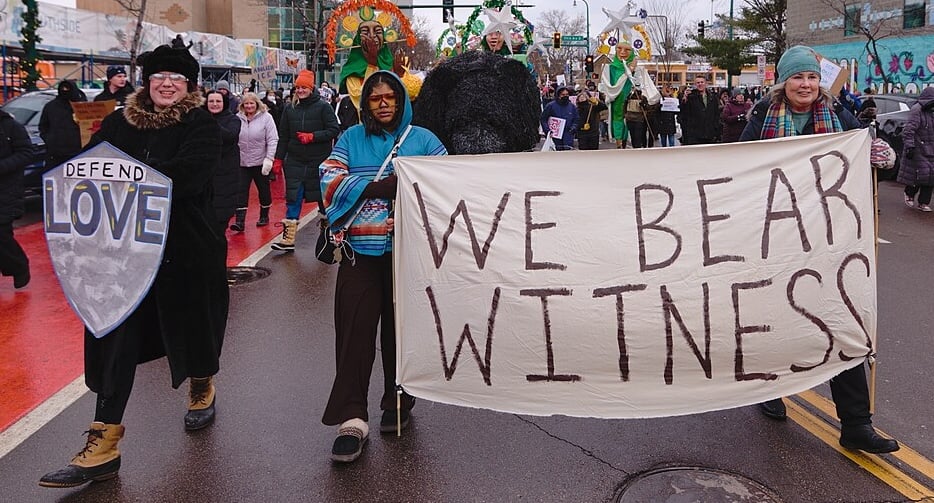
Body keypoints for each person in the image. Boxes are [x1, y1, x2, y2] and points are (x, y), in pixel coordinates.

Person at [39, 44, 228, 488]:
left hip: (186, 249)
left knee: (194, 329)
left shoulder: (199, 123)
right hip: (125, 254)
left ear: (189, 86)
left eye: (176, 78)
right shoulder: (119, 121)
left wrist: (136, 173)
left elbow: (190, 176)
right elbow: (93, 166)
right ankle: (104, 441)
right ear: (147, 80)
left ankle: (202, 385)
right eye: (159, 75)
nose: (166, 83)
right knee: (115, 336)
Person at [739, 45, 898, 455]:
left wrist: (878, 156)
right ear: (783, 82)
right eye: (797, 77)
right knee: (778, 318)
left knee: (840, 319)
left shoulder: (839, 116)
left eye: (811, 77)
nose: (806, 85)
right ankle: (771, 389)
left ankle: (857, 423)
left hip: (829, 239)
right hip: (775, 238)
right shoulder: (760, 118)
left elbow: (858, 155)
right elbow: (736, 169)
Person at [319, 70, 447, 463]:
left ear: (402, 100)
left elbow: (446, 187)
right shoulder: (351, 138)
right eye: (376, 98)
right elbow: (328, 178)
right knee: (355, 334)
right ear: (366, 103)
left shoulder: (424, 140)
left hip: (408, 256)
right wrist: (379, 187)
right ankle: (352, 418)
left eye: (390, 96)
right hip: (360, 254)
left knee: (402, 332)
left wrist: (406, 192)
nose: (384, 103)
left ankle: (397, 400)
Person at [270, 69, 339, 252]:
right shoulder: (289, 109)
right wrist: (278, 159)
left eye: (304, 87)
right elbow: (283, 136)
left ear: (311, 88)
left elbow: (334, 130)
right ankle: (288, 239)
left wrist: (313, 136)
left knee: (322, 199)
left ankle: (327, 234)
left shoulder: (324, 107)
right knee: (293, 197)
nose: (300, 91)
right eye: (298, 87)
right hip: (294, 160)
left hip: (319, 160)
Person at [338, 19, 421, 112]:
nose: (372, 36)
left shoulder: (392, 65)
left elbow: (407, 99)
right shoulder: (352, 72)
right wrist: (372, 64)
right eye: (365, 32)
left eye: (378, 32)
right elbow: (361, 101)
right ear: (357, 40)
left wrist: (399, 77)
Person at [598, 41, 658, 149]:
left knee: (633, 128)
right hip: (616, 101)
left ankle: (633, 146)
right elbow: (605, 86)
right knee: (618, 120)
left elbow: (643, 87)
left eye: (627, 50)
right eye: (619, 48)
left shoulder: (639, 70)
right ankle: (619, 143)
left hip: (634, 110)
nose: (622, 52)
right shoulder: (610, 69)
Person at [0, 107, 35, 290]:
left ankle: (18, 266)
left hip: (6, 187)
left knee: (2, 233)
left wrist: (3, 166)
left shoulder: (11, 127)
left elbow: (26, 153)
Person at [233, 92, 278, 229]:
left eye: (251, 103)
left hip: (260, 162)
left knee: (263, 190)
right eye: (246, 103)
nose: (249, 106)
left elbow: (272, 139)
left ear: (257, 104)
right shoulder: (237, 118)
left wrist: (269, 158)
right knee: (240, 191)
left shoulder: (266, 118)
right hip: (242, 162)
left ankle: (264, 215)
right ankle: (240, 221)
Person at [205, 89, 242, 235]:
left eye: (218, 101)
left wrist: (209, 123)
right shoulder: (199, 119)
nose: (214, 104)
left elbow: (230, 136)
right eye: (211, 101)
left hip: (225, 175)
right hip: (205, 174)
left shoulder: (233, 120)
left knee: (219, 220)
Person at [897, 87, 934, 211]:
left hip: (931, 147)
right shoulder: (917, 110)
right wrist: (910, 146)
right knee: (920, 174)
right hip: (919, 147)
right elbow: (909, 130)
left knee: (931, 176)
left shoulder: (931, 111)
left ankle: (923, 202)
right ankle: (910, 193)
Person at [39, 80, 86, 169]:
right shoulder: (51, 106)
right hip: (56, 154)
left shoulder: (82, 106)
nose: (65, 90)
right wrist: (50, 140)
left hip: (78, 152)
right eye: (63, 88)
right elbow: (43, 126)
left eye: (67, 88)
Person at [679, 76, 720, 145]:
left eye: (702, 82)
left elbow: (716, 114)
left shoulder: (713, 97)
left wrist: (716, 129)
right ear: (695, 85)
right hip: (695, 135)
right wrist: (684, 99)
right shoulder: (691, 97)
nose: (700, 84)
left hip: (710, 133)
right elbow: (684, 113)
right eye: (698, 83)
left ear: (706, 84)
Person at [540, 86, 577, 150]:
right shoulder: (550, 106)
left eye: (567, 94)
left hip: (568, 133)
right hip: (555, 135)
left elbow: (576, 119)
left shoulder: (572, 107)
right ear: (558, 95)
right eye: (563, 94)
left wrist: (573, 128)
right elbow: (543, 119)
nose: (565, 96)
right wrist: (547, 131)